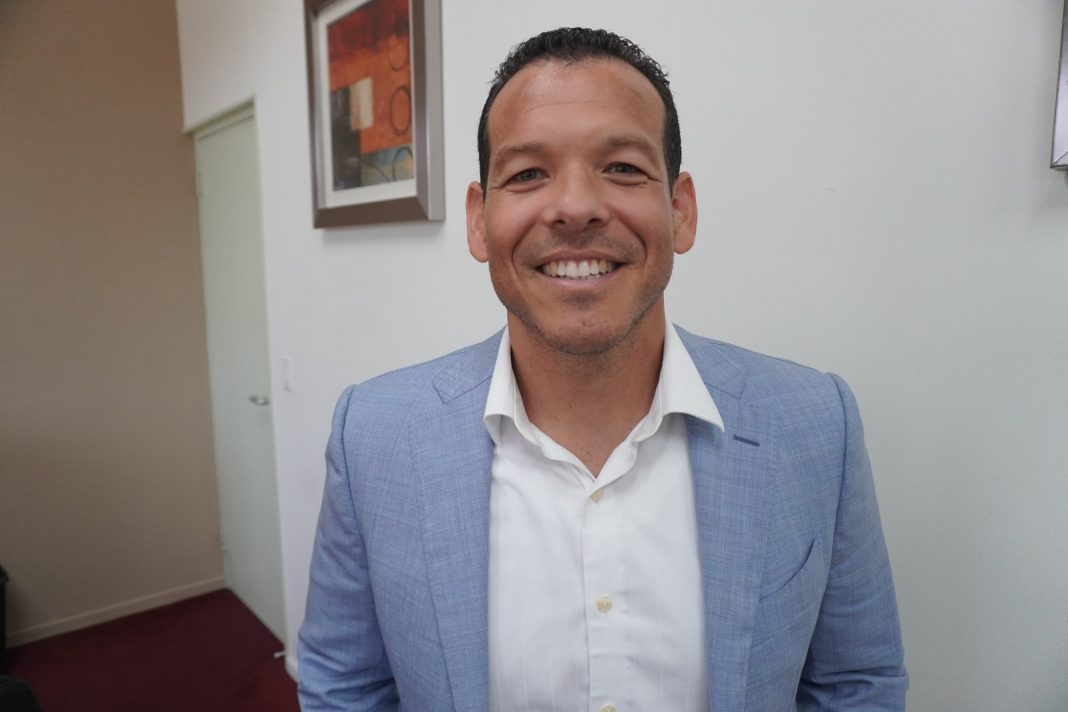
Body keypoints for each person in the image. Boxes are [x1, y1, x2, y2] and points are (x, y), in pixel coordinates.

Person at [298, 27, 907, 712]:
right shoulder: (374, 436)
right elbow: (344, 688)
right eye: (528, 174)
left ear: (680, 210)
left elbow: (855, 685)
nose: (575, 207)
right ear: (479, 220)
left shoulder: (816, 424)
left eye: (621, 167)